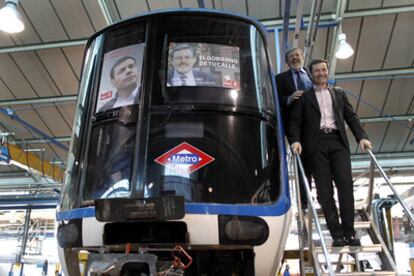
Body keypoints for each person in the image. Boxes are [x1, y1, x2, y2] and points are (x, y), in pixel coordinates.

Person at [289, 58, 372, 247]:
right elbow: (294, 122)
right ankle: (337, 235)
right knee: (324, 192)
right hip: (316, 145)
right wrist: (295, 141)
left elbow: (352, 117)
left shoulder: (339, 94)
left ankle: (350, 232)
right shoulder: (304, 98)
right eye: (317, 71)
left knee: (345, 186)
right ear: (311, 74)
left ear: (328, 72)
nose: (321, 73)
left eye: (324, 70)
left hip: (338, 143)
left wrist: (362, 137)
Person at [275, 47, 313, 210]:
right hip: (294, 125)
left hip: (314, 123)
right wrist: (289, 98)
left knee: (316, 158)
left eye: (297, 55)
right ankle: (305, 200)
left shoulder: (314, 74)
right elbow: (275, 99)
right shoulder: (280, 78)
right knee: (301, 161)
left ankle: (321, 195)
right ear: (287, 62)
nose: (295, 58)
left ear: (303, 56)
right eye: (291, 57)